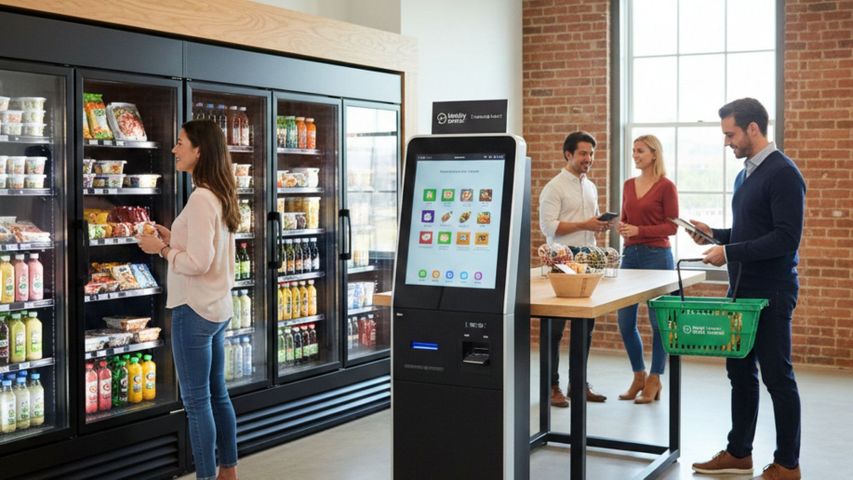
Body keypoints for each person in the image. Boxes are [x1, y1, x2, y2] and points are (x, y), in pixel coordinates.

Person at [688, 98, 805, 480]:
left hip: (771, 292)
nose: (727, 142)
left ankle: (787, 464)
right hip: (741, 289)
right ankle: (739, 453)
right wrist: (714, 235)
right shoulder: (745, 175)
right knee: (739, 372)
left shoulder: (783, 173)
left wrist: (729, 251)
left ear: (753, 128)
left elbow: (786, 238)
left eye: (731, 134)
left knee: (777, 378)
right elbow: (748, 232)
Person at [137, 119, 240, 480]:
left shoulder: (200, 199)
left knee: (197, 403)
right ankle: (228, 472)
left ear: (199, 150)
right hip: (217, 308)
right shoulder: (220, 194)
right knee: (218, 395)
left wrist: (161, 249)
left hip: (193, 309)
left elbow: (198, 263)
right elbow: (206, 247)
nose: (174, 149)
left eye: (180, 143)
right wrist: (171, 237)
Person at [538, 130, 612, 407]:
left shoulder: (590, 187)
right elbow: (549, 228)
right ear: (568, 154)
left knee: (584, 328)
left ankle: (578, 384)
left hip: (587, 261)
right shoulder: (554, 188)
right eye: (583, 153)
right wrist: (584, 224)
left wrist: (598, 226)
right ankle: (551, 387)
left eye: (591, 154)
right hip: (561, 262)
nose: (588, 158)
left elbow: (588, 224)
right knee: (555, 331)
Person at [615, 135, 678, 404]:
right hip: (630, 256)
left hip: (658, 258)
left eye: (640, 151)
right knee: (625, 321)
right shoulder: (628, 185)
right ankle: (638, 375)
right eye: (633, 151)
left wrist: (639, 230)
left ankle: (655, 377)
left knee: (658, 322)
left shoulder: (666, 186)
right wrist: (623, 228)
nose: (635, 155)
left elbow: (672, 227)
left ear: (654, 154)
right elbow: (625, 219)